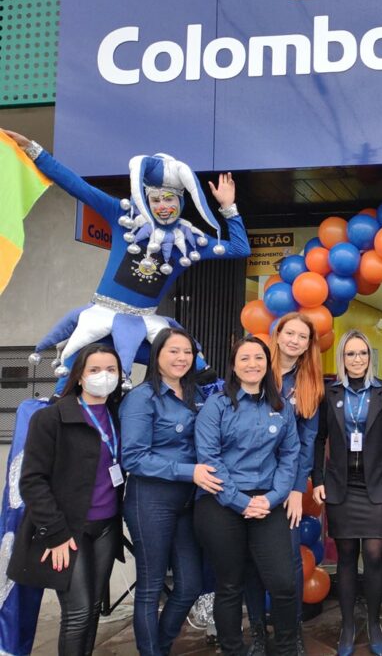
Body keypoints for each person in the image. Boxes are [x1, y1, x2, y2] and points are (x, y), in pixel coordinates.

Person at [0, 127, 251, 389]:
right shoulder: (124, 218)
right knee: (67, 381)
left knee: (197, 369)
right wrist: (34, 150)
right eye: (156, 200)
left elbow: (240, 249)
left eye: (170, 199)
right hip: (98, 321)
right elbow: (77, 186)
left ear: (181, 202)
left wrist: (228, 207)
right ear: (146, 200)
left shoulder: (190, 241)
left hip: (146, 328)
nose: (163, 207)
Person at [8, 344, 124, 655]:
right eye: (94, 370)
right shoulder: (51, 418)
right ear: (79, 376)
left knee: (93, 609)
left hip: (106, 527)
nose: (103, 376)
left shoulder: (117, 414)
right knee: (78, 612)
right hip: (69, 530)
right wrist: (55, 533)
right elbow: (32, 481)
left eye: (111, 370)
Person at [194, 336, 300, 656]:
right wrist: (241, 502)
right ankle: (233, 650)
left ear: (267, 364)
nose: (252, 364)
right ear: (233, 365)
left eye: (259, 358)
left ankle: (286, 649)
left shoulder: (280, 406)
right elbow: (209, 458)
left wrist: (272, 498)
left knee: (283, 583)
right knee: (229, 585)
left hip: (267, 501)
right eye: (244, 358)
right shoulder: (217, 405)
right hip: (221, 501)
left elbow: (290, 455)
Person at [120, 327, 222, 656]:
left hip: (188, 502)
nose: (181, 358)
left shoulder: (196, 394)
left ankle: (160, 647)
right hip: (151, 501)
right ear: (157, 355)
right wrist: (189, 471)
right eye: (173, 351)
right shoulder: (141, 398)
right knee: (150, 587)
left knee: (190, 584)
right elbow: (133, 458)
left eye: (187, 352)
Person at [312, 330, 382, 656]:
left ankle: (374, 623)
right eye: (350, 354)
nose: (357, 359)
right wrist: (318, 479)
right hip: (340, 485)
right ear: (342, 358)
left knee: (375, 556)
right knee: (347, 557)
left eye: (362, 353)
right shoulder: (329, 392)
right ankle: (348, 625)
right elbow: (318, 439)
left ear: (370, 357)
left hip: (376, 484)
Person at [244, 312, 325, 656]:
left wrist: (295, 489)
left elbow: (307, 441)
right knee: (250, 561)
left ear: (309, 345)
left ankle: (290, 635)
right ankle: (258, 633)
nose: (294, 340)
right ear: (277, 335)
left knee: (290, 561)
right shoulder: (257, 370)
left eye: (302, 336)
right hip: (248, 480)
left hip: (287, 483)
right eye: (289, 333)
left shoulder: (310, 383)